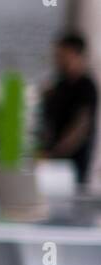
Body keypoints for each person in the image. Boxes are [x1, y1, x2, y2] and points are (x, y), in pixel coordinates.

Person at [39, 32, 97, 186]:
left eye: (63, 54)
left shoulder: (86, 86)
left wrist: (56, 152)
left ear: (76, 54)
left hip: (73, 162)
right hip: (52, 161)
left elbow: (81, 126)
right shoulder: (58, 85)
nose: (58, 59)